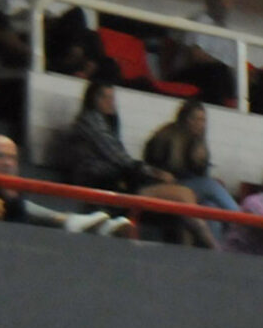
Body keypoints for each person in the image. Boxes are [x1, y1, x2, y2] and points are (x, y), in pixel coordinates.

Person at [56, 80, 211, 245]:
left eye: (112, 98)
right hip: (108, 184)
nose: (110, 103)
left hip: (121, 180)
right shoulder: (92, 122)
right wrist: (152, 172)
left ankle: (204, 245)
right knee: (187, 194)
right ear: (93, 99)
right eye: (105, 98)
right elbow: (119, 158)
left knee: (188, 202)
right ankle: (213, 245)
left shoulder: (107, 123)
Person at [0, 135, 134, 236]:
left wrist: (12, 198)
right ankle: (71, 220)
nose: (8, 163)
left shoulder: (13, 191)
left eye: (12, 157)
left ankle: (94, 226)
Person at [141, 100, 240, 212]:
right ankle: (241, 216)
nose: (200, 124)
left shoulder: (198, 142)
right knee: (211, 185)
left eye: (203, 120)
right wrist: (159, 173)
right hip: (169, 185)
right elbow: (148, 164)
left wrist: (200, 162)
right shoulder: (166, 136)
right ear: (186, 120)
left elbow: (200, 173)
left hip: (189, 184)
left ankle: (234, 220)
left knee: (210, 205)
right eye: (196, 119)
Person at [168, 0, 240, 106]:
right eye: (221, 1)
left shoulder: (227, 31)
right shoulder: (200, 20)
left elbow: (232, 64)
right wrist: (220, 64)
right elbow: (196, 56)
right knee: (218, 71)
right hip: (189, 73)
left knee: (259, 82)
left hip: (217, 75)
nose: (224, 6)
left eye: (227, 2)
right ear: (210, 2)